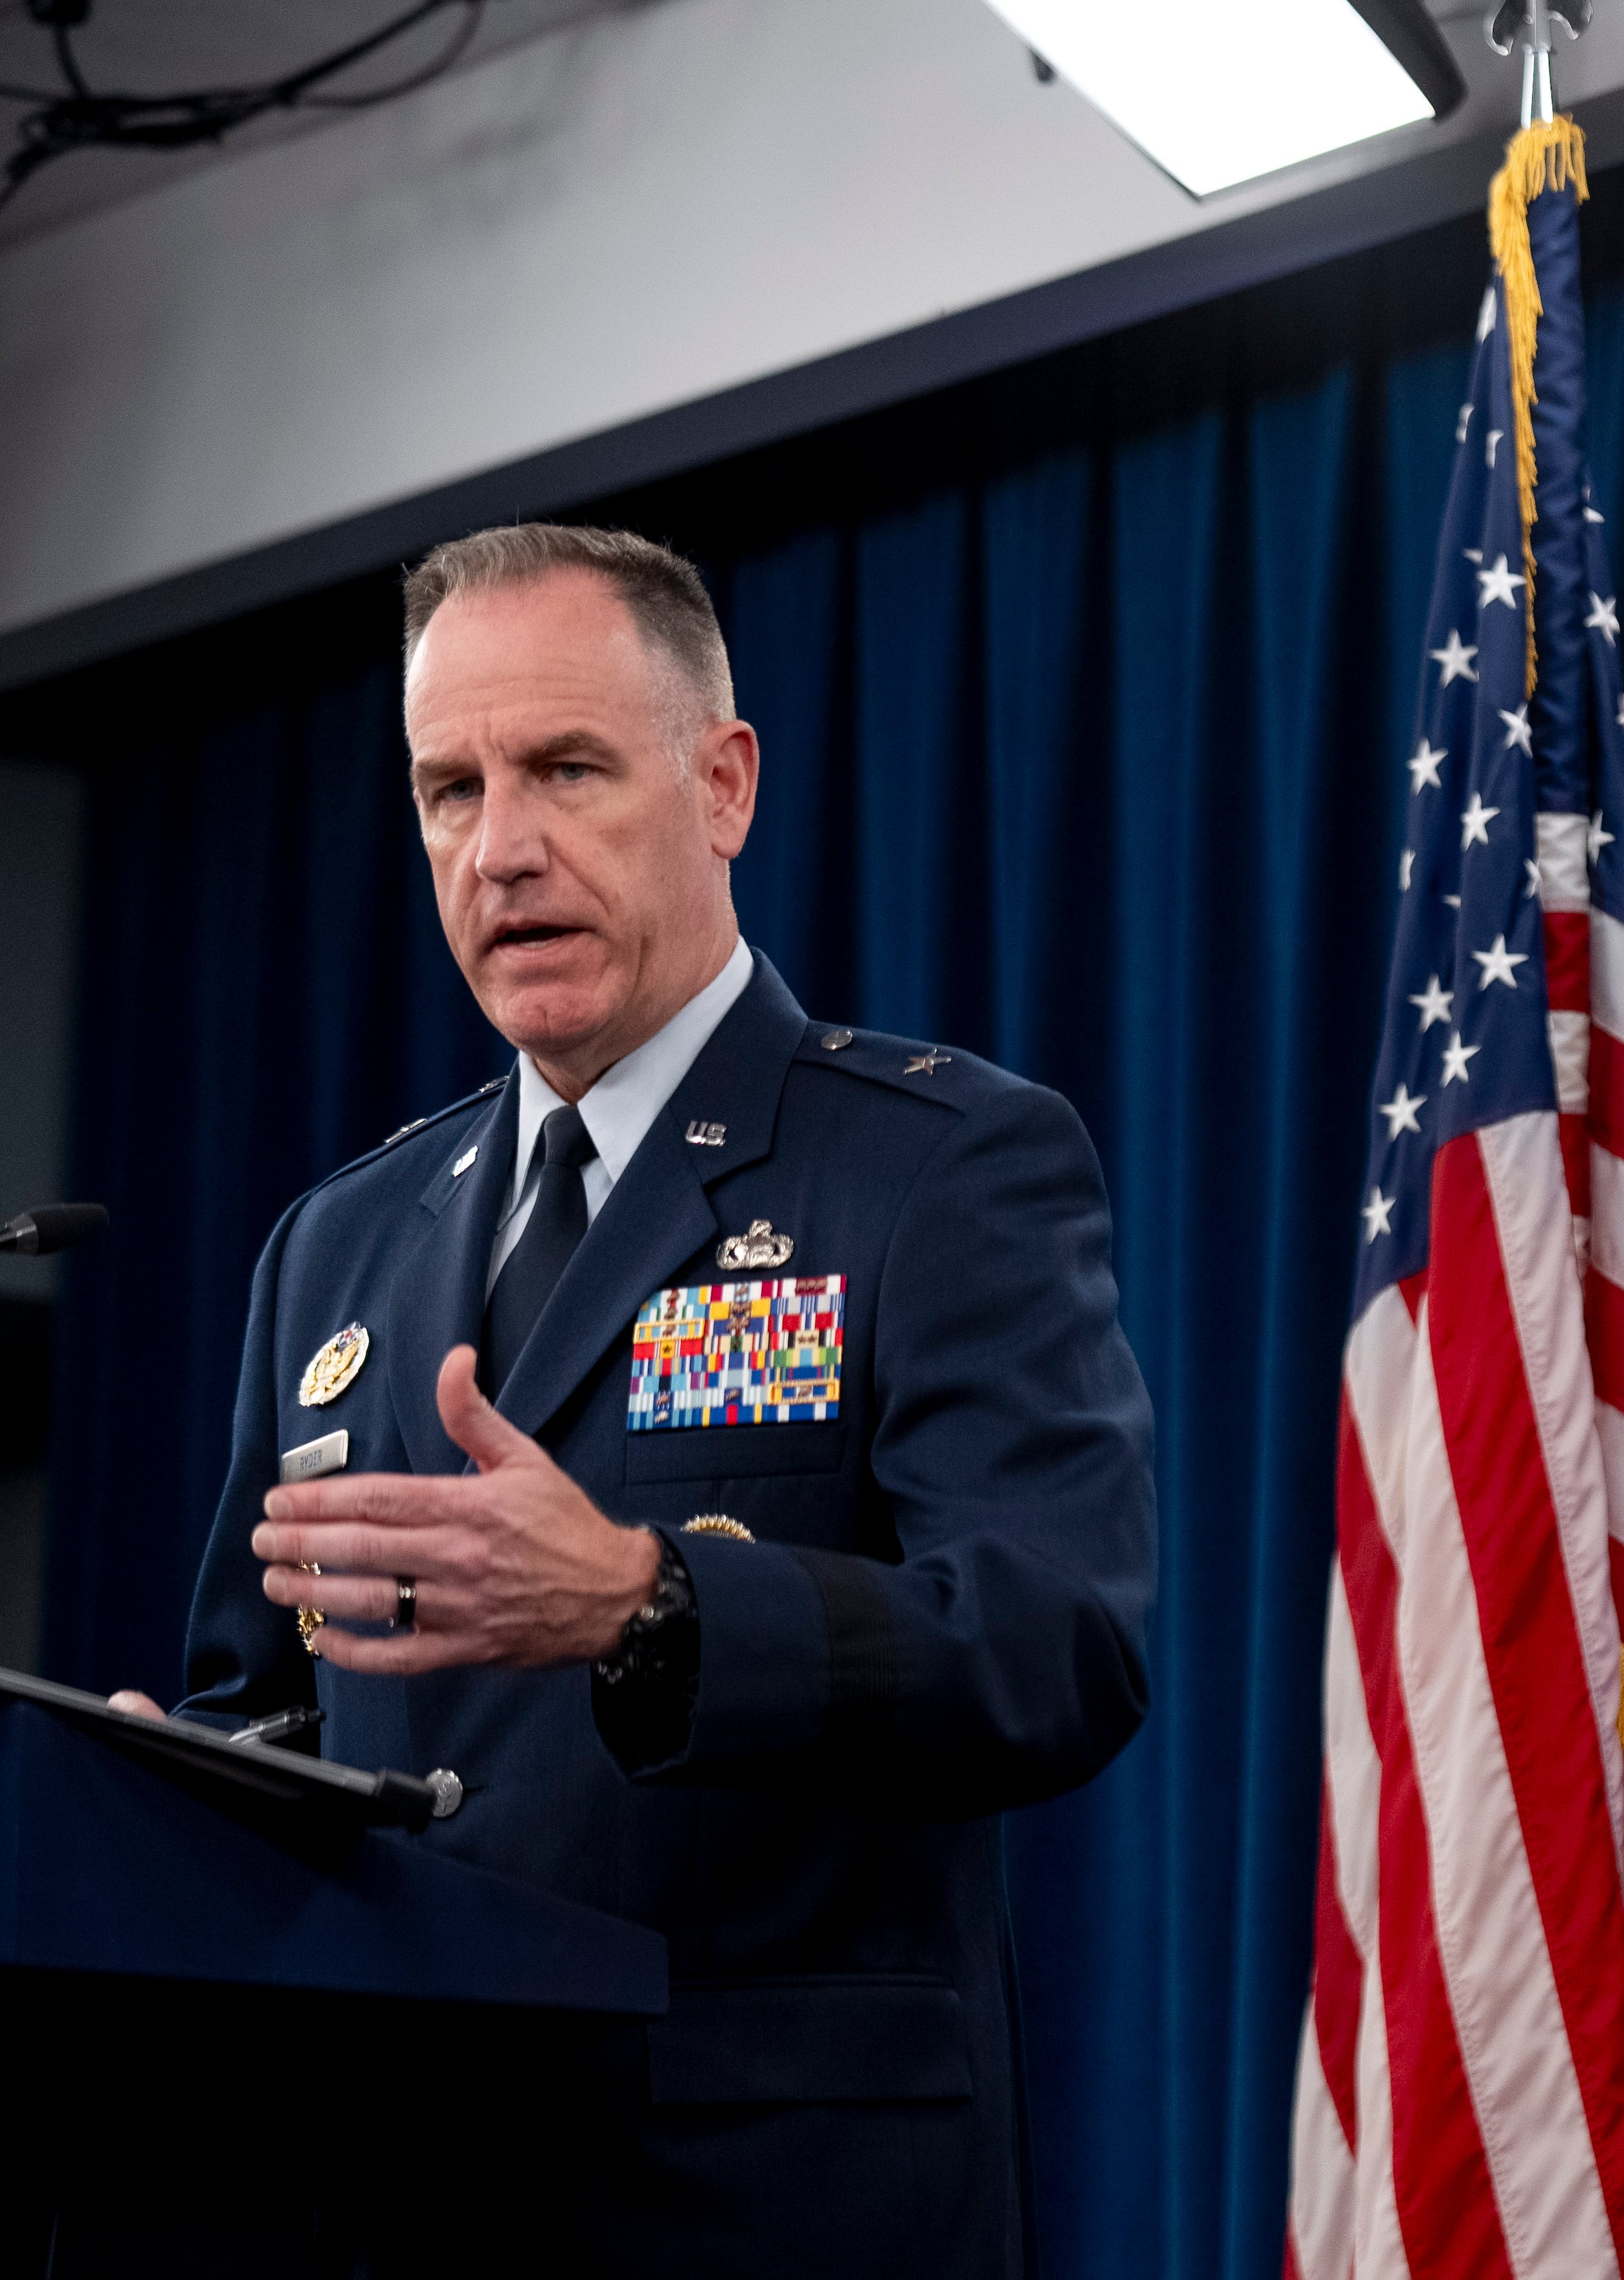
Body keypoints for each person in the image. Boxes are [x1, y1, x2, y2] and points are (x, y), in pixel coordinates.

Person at [113, 522, 1158, 2274]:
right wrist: (171, 1784)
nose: (499, 848)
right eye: (449, 788)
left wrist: (646, 1601)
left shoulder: (940, 1166)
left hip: (766, 2205)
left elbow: (1057, 1646)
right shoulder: (341, 1242)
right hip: (391, 2200)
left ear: (724, 782)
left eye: (566, 770)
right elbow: (272, 1700)